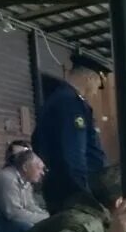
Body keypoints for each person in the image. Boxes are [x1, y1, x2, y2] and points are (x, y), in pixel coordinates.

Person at [32, 52, 109, 213]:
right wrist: (84, 193)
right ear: (90, 78)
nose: (96, 91)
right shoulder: (70, 104)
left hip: (61, 188)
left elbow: (37, 142)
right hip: (73, 193)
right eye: (98, 84)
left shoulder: (58, 99)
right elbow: (73, 155)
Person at [0, 147, 48, 232]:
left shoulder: (26, 180)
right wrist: (47, 218)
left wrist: (48, 216)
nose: (42, 173)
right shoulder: (8, 179)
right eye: (39, 168)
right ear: (25, 167)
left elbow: (30, 206)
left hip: (12, 223)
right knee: (30, 229)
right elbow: (14, 214)